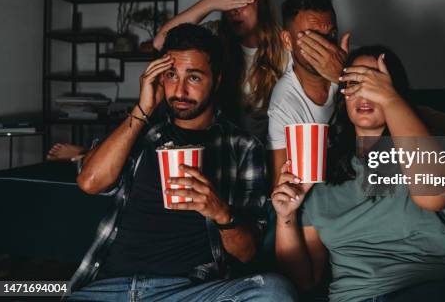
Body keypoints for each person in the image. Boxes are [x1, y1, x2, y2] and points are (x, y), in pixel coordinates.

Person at [68, 24, 296, 301]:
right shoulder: (139, 132)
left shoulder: (242, 147)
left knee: (275, 291)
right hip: (109, 287)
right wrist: (142, 110)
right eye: (171, 75)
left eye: (195, 78)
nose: (179, 89)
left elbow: (247, 252)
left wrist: (221, 212)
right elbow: (90, 182)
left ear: (217, 79)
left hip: (187, 291)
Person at [272, 46, 445, 302]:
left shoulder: (426, 147)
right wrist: (285, 217)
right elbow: (304, 281)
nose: (365, 93)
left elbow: (433, 196)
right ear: (344, 97)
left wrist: (390, 99)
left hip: (431, 286)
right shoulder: (318, 174)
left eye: (375, 82)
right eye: (355, 82)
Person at [154, 0, 288, 143]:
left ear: (261, 4)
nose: (234, 10)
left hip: (268, 149)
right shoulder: (215, 36)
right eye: (228, 2)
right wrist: (210, 3)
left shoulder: (283, 46)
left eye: (240, 0)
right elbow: (161, 42)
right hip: (221, 146)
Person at [267, 0, 350, 185]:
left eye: (331, 35)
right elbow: (280, 189)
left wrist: (345, 75)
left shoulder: (353, 62)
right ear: (287, 41)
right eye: (312, 38)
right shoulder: (284, 104)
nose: (324, 47)